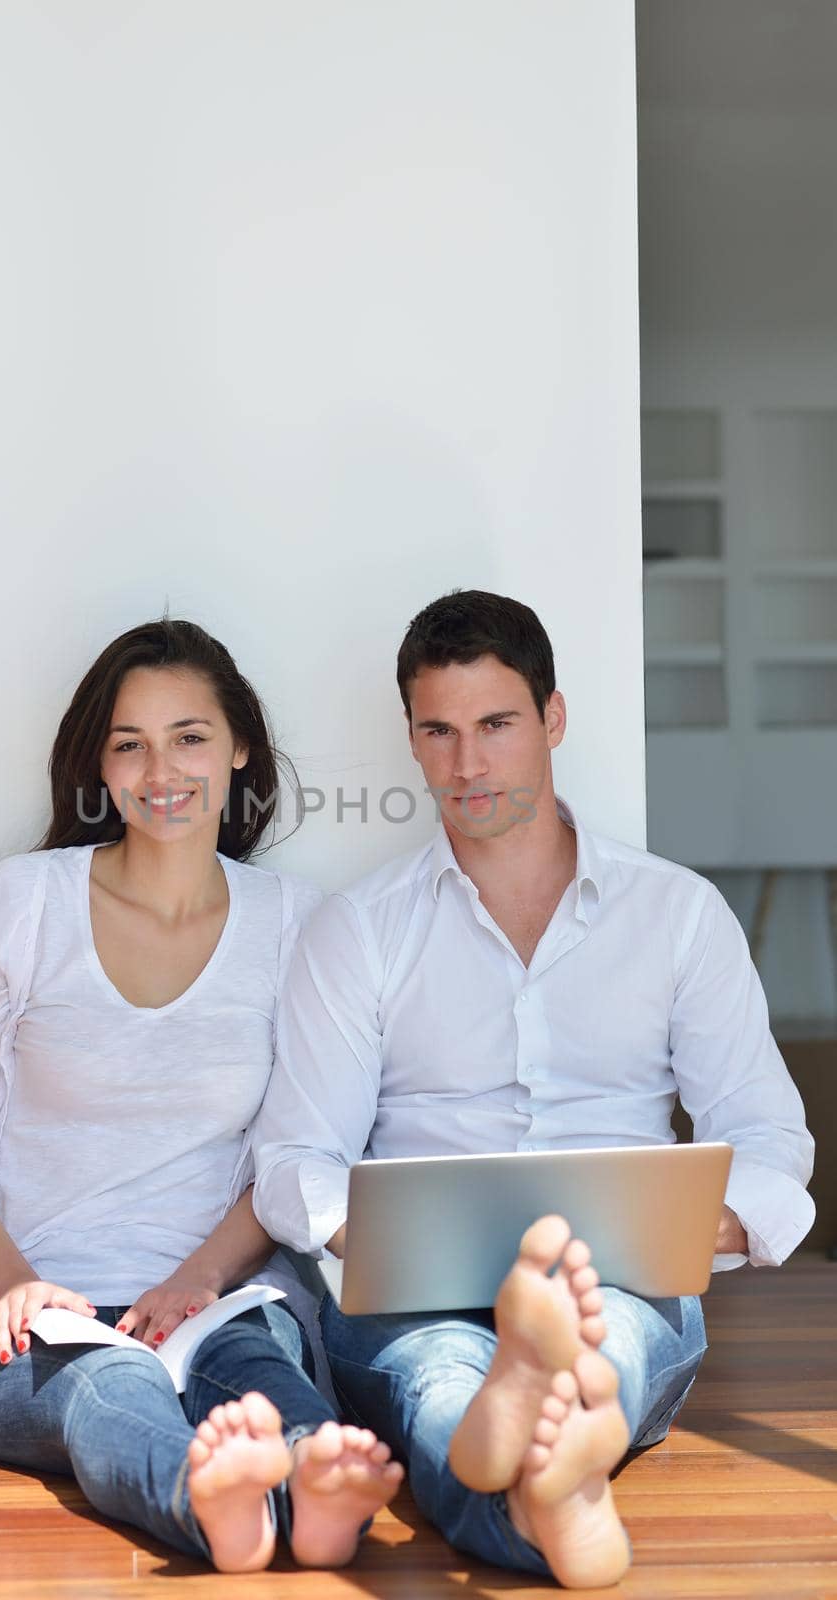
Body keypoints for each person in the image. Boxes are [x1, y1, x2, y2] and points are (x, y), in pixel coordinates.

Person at [251, 589, 814, 1589]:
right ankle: (559, 1480)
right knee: (441, 1378)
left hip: (618, 1282)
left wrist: (696, 1227)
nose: (468, 765)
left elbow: (770, 1136)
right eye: (441, 731)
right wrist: (369, 1231)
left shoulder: (677, 915)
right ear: (414, 741)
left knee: (595, 1348)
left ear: (553, 719)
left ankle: (536, 1438)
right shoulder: (360, 928)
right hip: (415, 1292)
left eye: (497, 725)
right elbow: (296, 1157)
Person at [0, 618, 401, 1574]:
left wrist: (200, 1280)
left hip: (217, 1293)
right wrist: (16, 1283)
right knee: (109, 1391)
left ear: (239, 749)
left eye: (189, 737)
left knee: (261, 1375)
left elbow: (290, 1152)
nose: (161, 769)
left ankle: (317, 1490)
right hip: (20, 1312)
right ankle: (208, 1504)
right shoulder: (20, 903)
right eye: (128, 744)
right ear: (97, 764)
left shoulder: (298, 926)